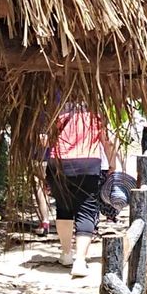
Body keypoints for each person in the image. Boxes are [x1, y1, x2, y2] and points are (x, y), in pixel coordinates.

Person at [48, 101, 121, 276]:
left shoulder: (57, 110)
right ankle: (80, 261)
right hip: (87, 164)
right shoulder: (96, 113)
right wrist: (112, 164)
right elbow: (107, 142)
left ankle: (66, 254)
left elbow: (46, 138)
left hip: (58, 164)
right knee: (86, 211)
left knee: (63, 208)